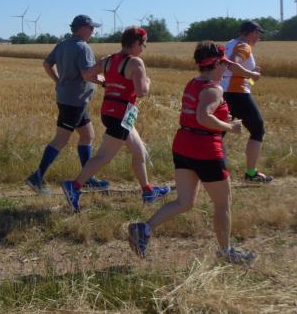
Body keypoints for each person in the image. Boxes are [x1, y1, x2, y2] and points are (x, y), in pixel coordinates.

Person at [128, 41, 260, 264]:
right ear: (216, 64)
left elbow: (197, 113)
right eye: (225, 64)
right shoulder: (213, 88)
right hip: (206, 150)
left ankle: (144, 228)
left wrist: (221, 118)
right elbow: (203, 116)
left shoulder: (193, 83)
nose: (227, 68)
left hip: (183, 145)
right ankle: (226, 252)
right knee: (223, 204)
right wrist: (230, 127)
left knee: (184, 202)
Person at [61, 27, 171, 211]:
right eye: (143, 44)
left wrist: (106, 82)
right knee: (103, 157)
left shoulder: (108, 60)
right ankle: (74, 186)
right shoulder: (136, 63)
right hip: (121, 115)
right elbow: (141, 92)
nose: (144, 48)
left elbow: (87, 74)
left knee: (139, 152)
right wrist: (148, 82)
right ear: (135, 43)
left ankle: (148, 191)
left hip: (110, 112)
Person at [26, 15, 109, 194]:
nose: (93, 31)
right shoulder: (83, 47)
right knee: (61, 139)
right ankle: (37, 177)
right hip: (74, 101)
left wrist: (58, 81)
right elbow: (87, 74)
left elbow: (47, 64)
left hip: (72, 99)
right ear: (82, 28)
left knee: (88, 135)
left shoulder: (63, 44)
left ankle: (87, 178)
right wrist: (104, 81)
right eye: (91, 28)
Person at [220, 21, 270, 182]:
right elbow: (232, 65)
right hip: (237, 94)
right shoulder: (244, 46)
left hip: (223, 91)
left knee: (218, 132)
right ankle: (251, 173)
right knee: (258, 130)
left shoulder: (230, 43)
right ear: (252, 32)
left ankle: (209, 171)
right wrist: (252, 74)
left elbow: (232, 71)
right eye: (259, 34)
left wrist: (251, 76)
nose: (259, 38)